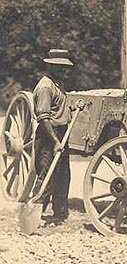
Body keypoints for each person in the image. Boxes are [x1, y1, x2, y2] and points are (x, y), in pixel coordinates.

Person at [32, 49, 74, 224]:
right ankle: (35, 213)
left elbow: (59, 109)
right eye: (58, 66)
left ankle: (59, 213)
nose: (62, 70)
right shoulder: (45, 87)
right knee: (46, 174)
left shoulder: (58, 84)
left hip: (61, 133)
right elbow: (44, 118)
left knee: (63, 175)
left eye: (63, 67)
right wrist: (55, 141)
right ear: (49, 66)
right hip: (49, 135)